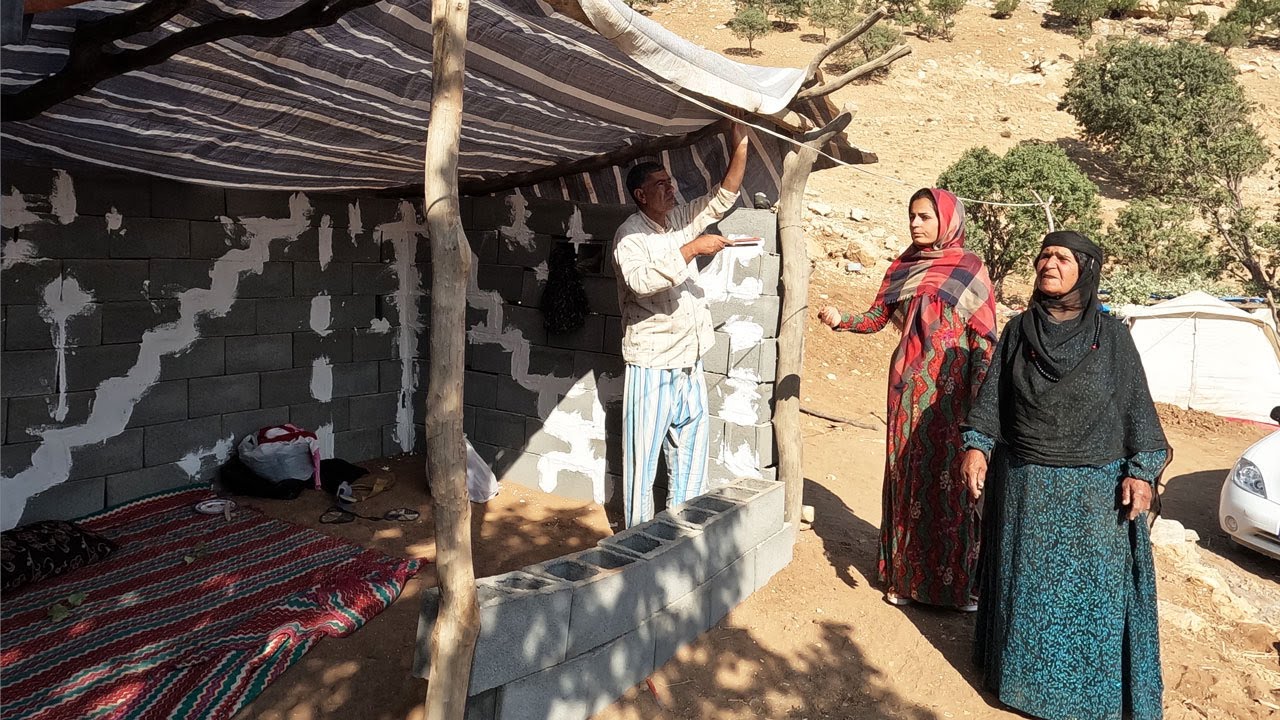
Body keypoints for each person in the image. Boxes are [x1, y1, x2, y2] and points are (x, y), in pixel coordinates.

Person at [960, 231, 1169, 720]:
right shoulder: (1017, 331)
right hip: (1026, 484)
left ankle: (1087, 698)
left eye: (1062, 257)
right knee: (1027, 589)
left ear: (1086, 269)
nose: (1048, 263)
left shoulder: (1113, 337)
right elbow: (993, 400)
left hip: (1092, 489)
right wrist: (977, 447)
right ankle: (1023, 687)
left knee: (1091, 594)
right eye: (1044, 255)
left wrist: (1141, 471)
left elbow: (1137, 407)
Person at [818, 188, 996, 611]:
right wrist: (843, 320)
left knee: (955, 484)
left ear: (947, 221)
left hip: (953, 396)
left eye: (924, 217)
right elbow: (879, 316)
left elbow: (984, 341)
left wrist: (981, 403)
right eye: (911, 216)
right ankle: (905, 578)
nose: (915, 224)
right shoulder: (904, 266)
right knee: (908, 478)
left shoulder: (970, 269)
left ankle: (956, 586)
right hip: (906, 391)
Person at [612, 119, 750, 528]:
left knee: (690, 457)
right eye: (661, 185)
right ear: (640, 195)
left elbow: (721, 197)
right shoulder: (629, 236)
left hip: (689, 359)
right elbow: (640, 283)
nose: (671, 189)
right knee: (641, 462)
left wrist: (738, 144)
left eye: (670, 182)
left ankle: (679, 534)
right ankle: (635, 542)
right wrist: (692, 249)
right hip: (652, 364)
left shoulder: (678, 220)